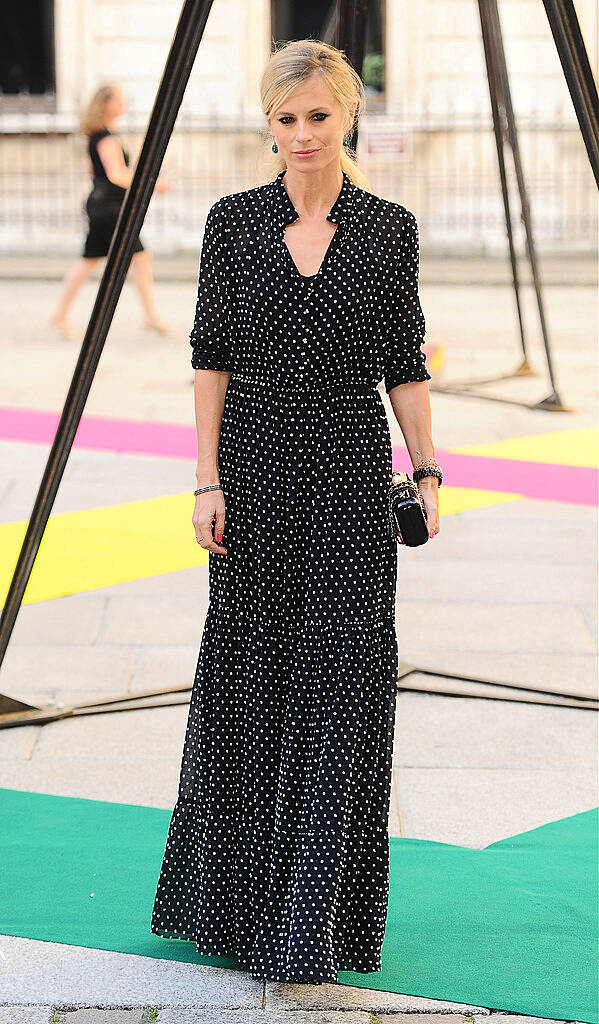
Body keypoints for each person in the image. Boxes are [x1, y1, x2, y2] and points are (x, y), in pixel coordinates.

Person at [150, 39, 441, 985]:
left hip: (352, 478)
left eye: (318, 116)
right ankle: (235, 913)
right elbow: (209, 356)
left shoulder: (389, 228)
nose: (303, 134)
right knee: (249, 681)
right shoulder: (232, 223)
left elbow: (404, 358)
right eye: (286, 119)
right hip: (254, 475)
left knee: (344, 682)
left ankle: (312, 923)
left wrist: (427, 470)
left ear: (346, 115)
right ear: (267, 125)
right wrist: (205, 478)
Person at [48, 82, 171, 340]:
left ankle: (59, 314)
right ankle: (150, 316)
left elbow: (90, 170)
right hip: (111, 209)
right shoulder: (106, 137)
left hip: (101, 205)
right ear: (106, 104)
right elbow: (116, 174)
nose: (124, 104)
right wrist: (151, 184)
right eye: (120, 100)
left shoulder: (96, 135)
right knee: (137, 257)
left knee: (94, 259)